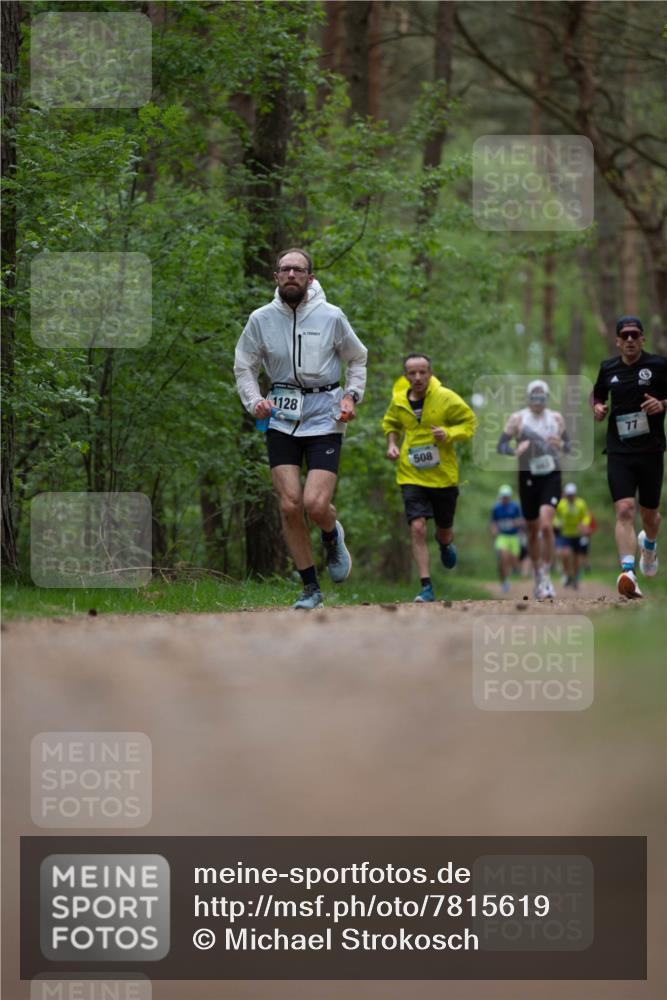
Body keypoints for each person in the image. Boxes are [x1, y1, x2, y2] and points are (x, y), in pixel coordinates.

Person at [234, 248, 368, 609]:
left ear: (310, 278)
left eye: (299, 269)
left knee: (315, 503)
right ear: (276, 276)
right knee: (291, 504)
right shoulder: (260, 319)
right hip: (281, 415)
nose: (291, 274)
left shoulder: (331, 316)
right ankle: (311, 588)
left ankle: (331, 534)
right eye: (285, 269)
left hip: (325, 414)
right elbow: (244, 365)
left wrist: (351, 396)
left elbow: (357, 358)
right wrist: (254, 401)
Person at [382, 354, 476, 602]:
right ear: (405, 376)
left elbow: (470, 423)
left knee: (443, 531)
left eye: (422, 372)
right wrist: (392, 444)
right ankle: (426, 587)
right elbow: (391, 423)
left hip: (443, 476)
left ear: (430, 373)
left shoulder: (445, 397)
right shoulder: (399, 400)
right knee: (417, 527)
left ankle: (445, 544)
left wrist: (448, 433)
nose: (418, 377)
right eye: (412, 373)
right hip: (410, 474)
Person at [591, 315, 667, 598]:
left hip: (651, 451)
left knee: (650, 516)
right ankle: (628, 572)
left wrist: (662, 404)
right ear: (618, 341)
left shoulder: (659, 366)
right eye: (626, 336)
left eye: (636, 335)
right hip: (619, 450)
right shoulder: (607, 368)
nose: (631, 340)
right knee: (624, 509)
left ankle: (649, 544)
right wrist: (597, 408)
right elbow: (597, 395)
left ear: (643, 339)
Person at [497, 379, 570, 599]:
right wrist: (515, 450)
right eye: (534, 396)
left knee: (546, 526)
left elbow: (569, 446)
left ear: (546, 398)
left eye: (542, 396)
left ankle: (546, 574)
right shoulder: (518, 419)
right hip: (527, 477)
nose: (538, 400)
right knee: (531, 530)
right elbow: (501, 446)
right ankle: (537, 572)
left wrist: (561, 445)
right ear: (528, 398)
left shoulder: (556, 418)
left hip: (551, 476)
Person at [553, 482, 592, 589]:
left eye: (572, 494)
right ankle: (566, 575)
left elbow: (586, 516)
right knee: (564, 554)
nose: (570, 497)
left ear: (575, 494)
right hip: (565, 534)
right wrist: (557, 523)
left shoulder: (581, 503)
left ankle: (575, 579)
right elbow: (555, 516)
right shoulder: (561, 504)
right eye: (568, 495)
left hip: (577, 534)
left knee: (576, 558)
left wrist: (583, 524)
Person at [490, 484, 524, 592]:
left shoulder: (515, 507)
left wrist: (516, 523)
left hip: (513, 536)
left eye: (507, 496)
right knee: (503, 556)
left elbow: (522, 520)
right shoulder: (496, 508)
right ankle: (504, 581)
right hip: (502, 536)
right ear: (500, 496)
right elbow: (493, 523)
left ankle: (510, 571)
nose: (505, 498)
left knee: (513, 560)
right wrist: (494, 530)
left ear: (510, 497)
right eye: (503, 496)